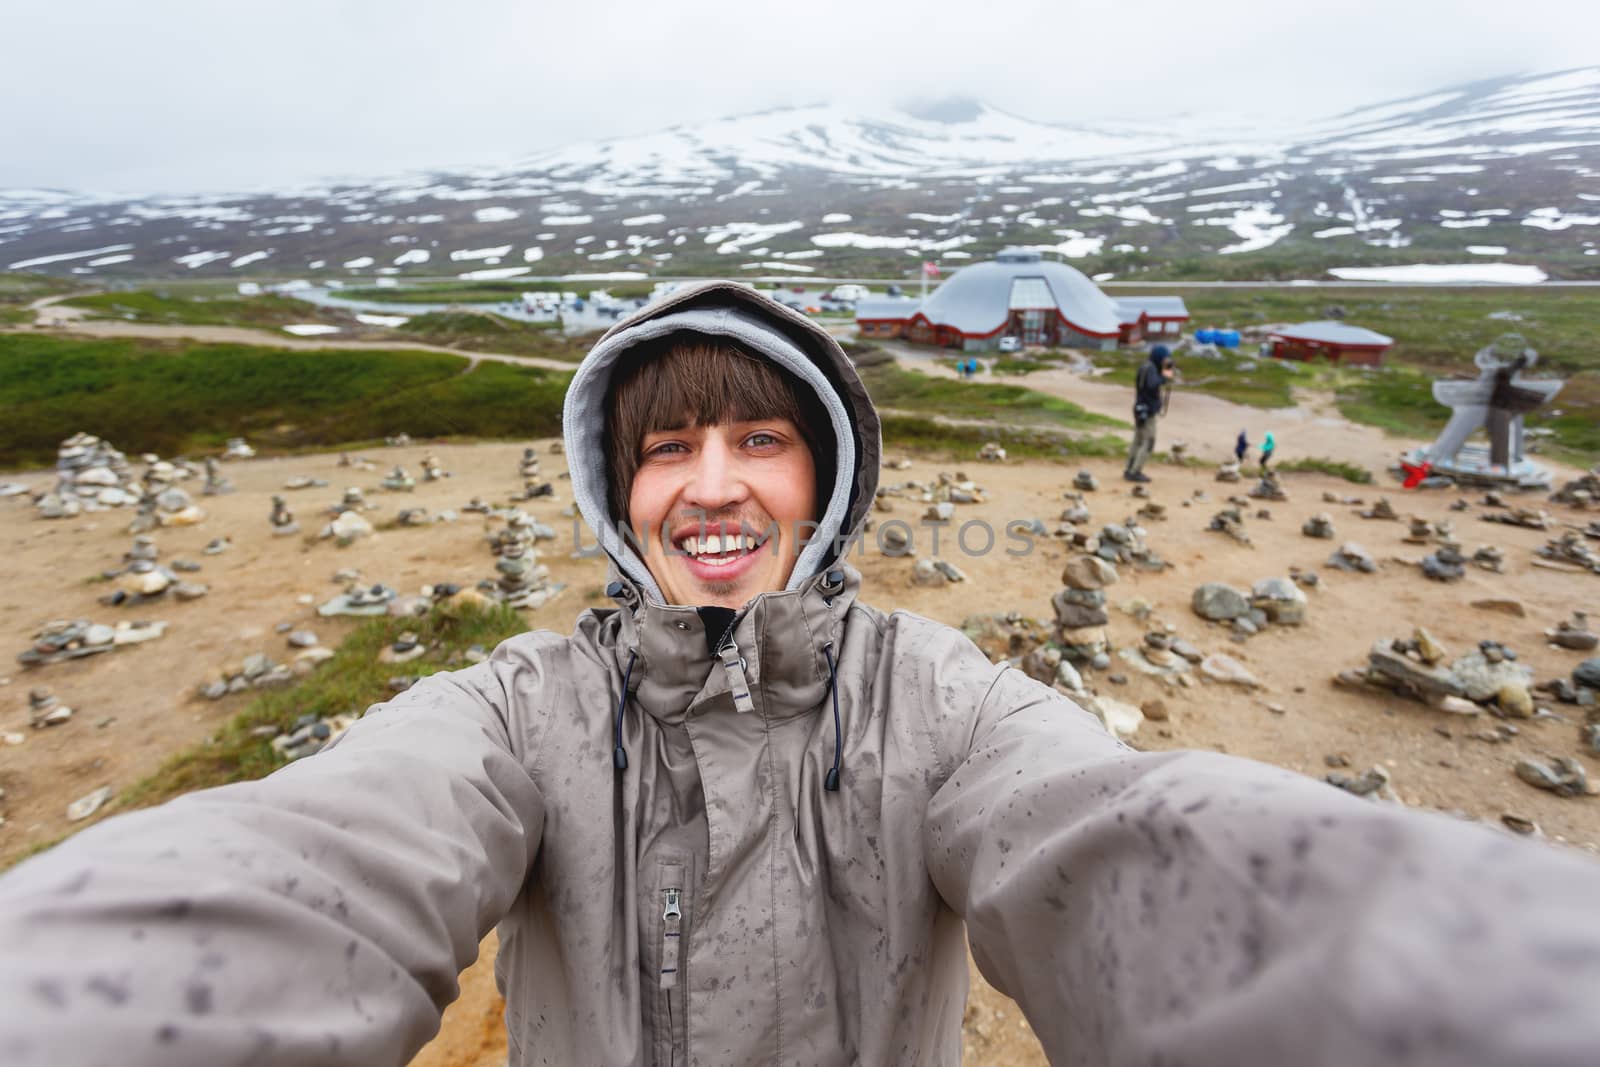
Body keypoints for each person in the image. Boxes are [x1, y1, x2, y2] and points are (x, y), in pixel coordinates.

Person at [3, 281, 1600, 1067]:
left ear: (825, 475)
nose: (711, 485)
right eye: (666, 446)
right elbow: (318, 859)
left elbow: (1130, 833)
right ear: (607, 486)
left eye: (760, 437)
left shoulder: (946, 695)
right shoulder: (517, 707)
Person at [1124, 343, 1174, 483]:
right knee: (1148, 442)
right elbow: (1152, 385)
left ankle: (1129, 468)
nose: (1166, 361)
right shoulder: (1152, 369)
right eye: (1165, 358)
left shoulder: (1144, 366)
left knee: (1137, 440)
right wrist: (1164, 376)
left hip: (1139, 408)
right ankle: (1136, 471)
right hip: (1148, 410)